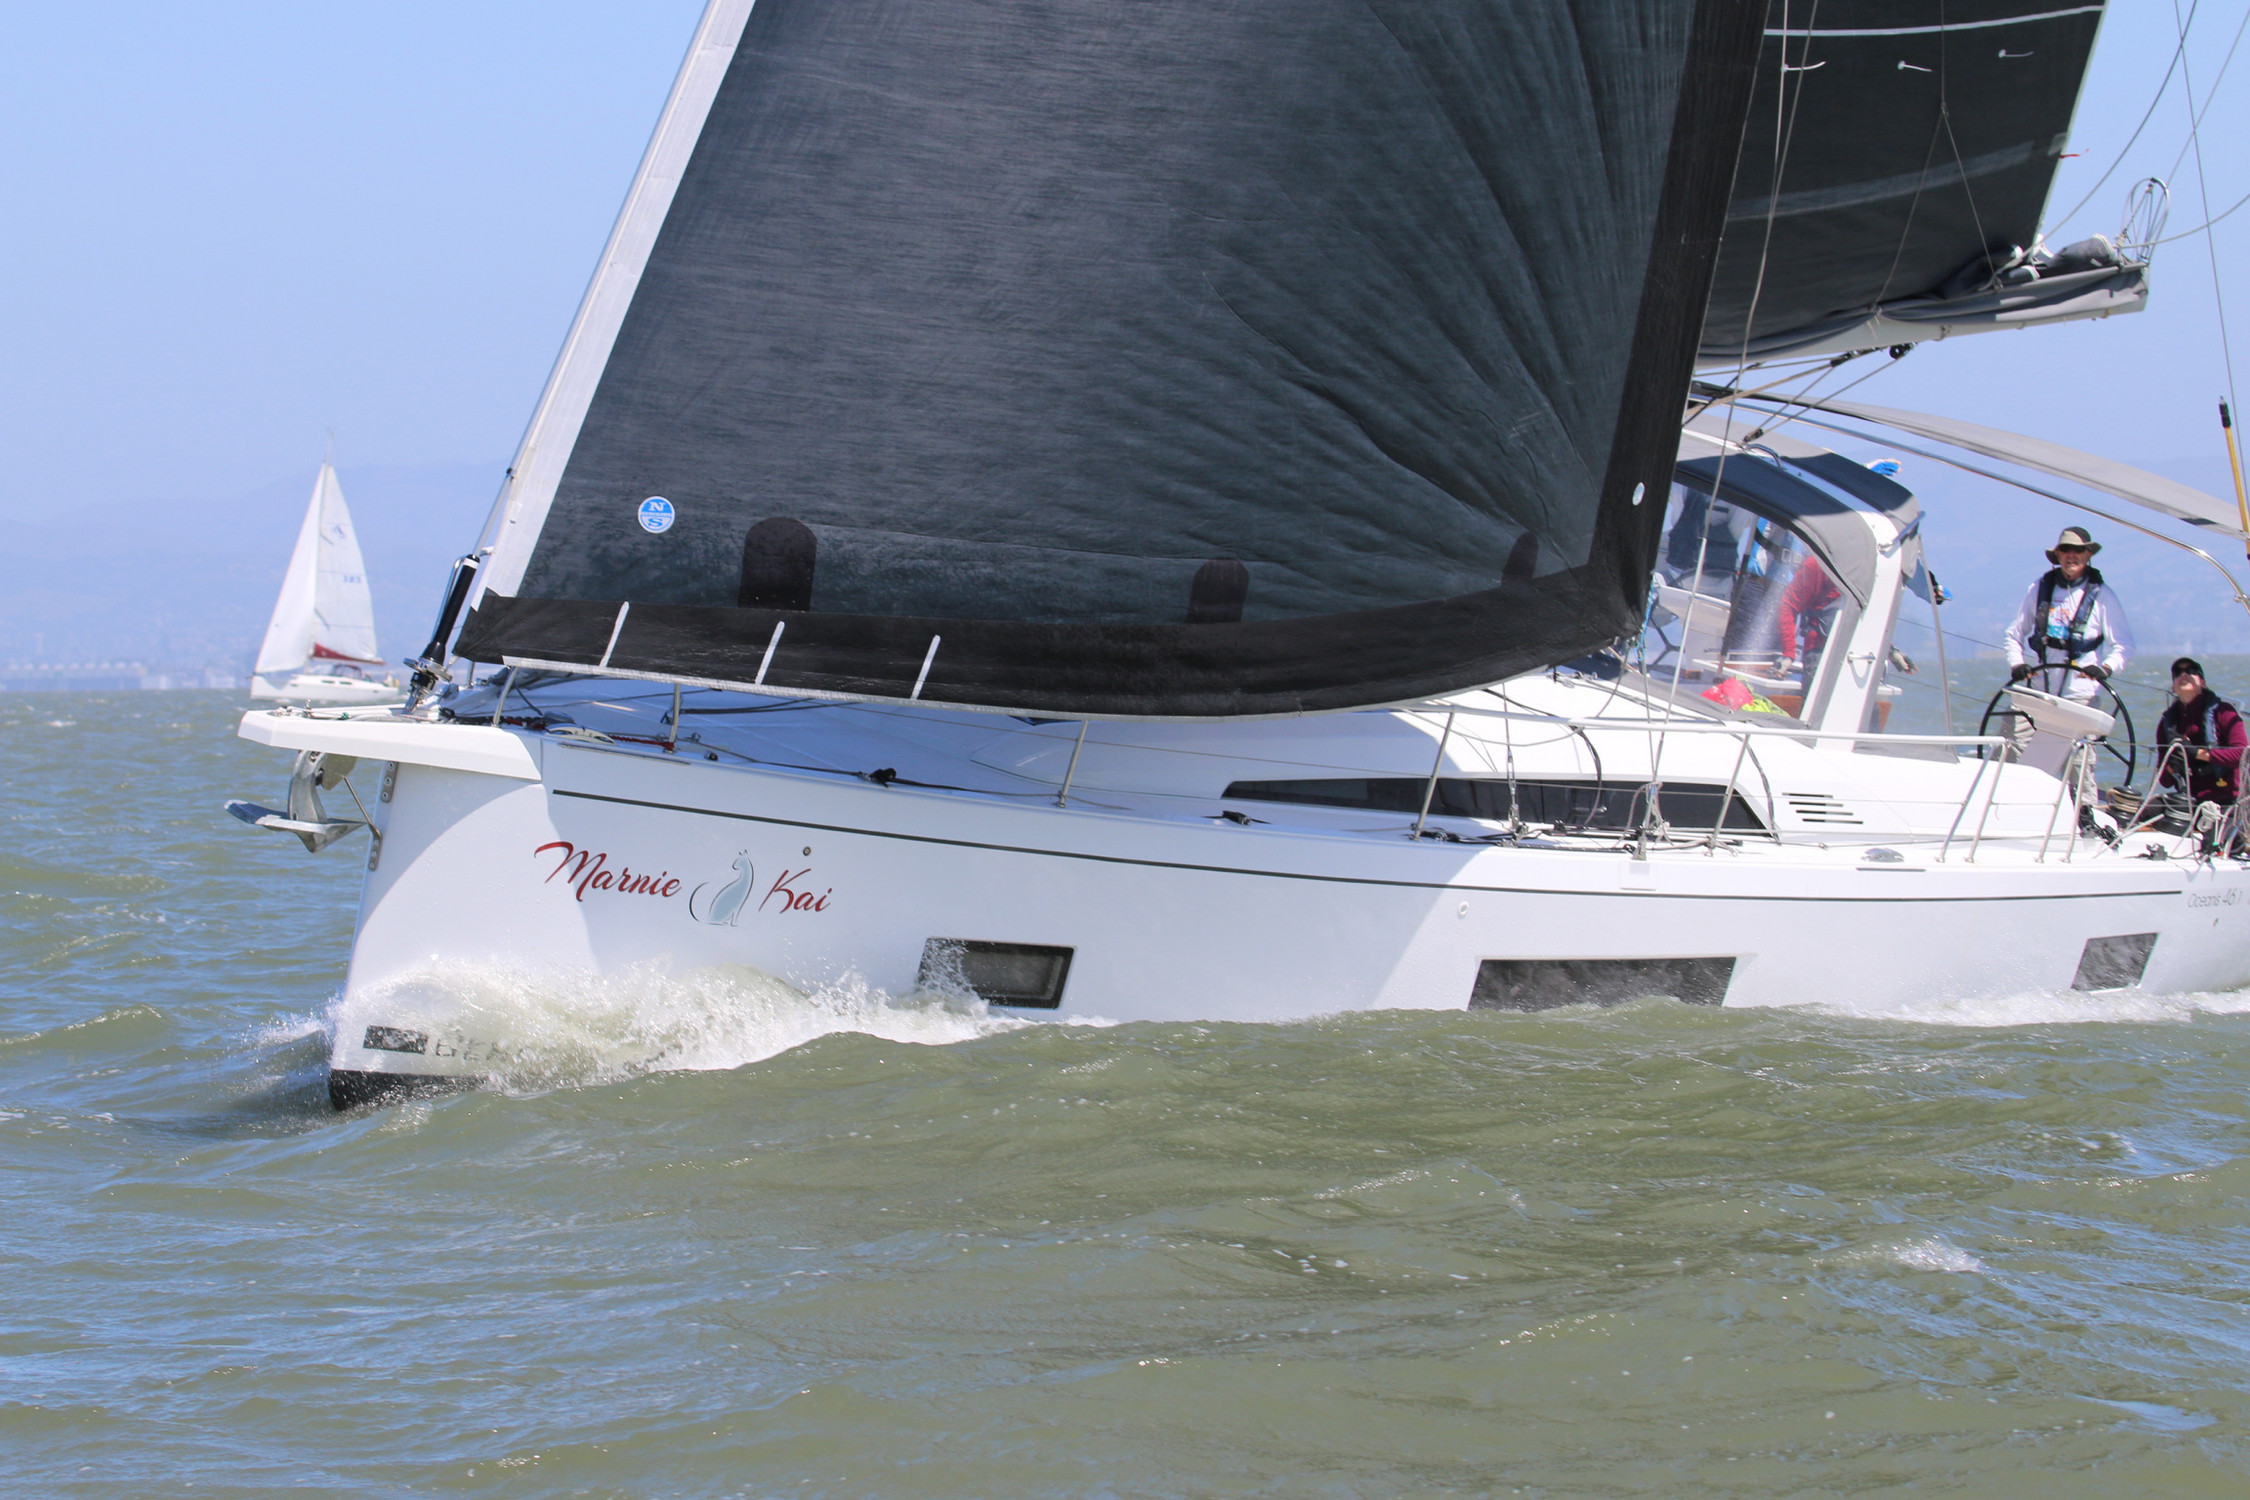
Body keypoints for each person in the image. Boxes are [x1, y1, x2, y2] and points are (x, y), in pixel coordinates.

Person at [2000, 527, 2132, 802]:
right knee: (2012, 746)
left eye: (2078, 551)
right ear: (2057, 555)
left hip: (2080, 694)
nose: (2072, 555)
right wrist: (2017, 664)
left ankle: (2083, 814)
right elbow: (2014, 634)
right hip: (2039, 690)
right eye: (2066, 550)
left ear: (2088, 555)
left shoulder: (2103, 596)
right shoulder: (2039, 589)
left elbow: (2124, 645)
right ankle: (2010, 804)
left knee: (2080, 761)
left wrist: (2105, 669)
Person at [2154, 657, 2247, 822]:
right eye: (2178, 673)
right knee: (2142, 812)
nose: (2184, 675)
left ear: (2203, 683)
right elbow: (2164, 781)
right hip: (2188, 801)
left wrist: (2198, 753)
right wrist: (2172, 767)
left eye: (2191, 671)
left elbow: (2242, 755)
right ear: (2174, 687)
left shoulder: (2224, 713)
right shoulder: (2166, 724)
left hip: (2226, 802)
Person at [1772, 554, 1840, 676]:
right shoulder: (1817, 563)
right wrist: (1789, 652)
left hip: (1859, 653)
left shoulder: (1871, 564)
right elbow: (1788, 605)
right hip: (1819, 653)